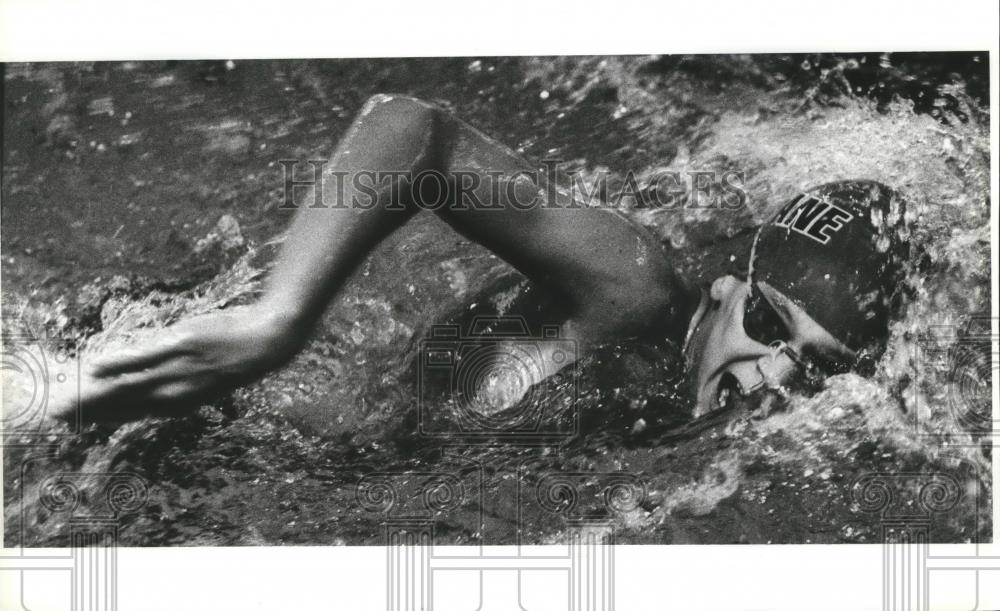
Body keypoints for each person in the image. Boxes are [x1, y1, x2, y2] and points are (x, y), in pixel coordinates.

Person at [55, 94, 910, 422]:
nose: (771, 374)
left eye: (813, 367)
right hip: (224, 397)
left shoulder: (755, 423)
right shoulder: (635, 284)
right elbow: (417, 133)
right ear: (728, 288)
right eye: (768, 321)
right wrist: (272, 326)